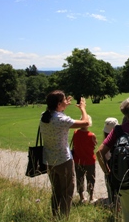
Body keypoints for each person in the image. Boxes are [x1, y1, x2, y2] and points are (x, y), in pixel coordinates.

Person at [39, 90, 90, 218]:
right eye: (63, 101)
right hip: (63, 160)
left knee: (56, 191)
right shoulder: (61, 119)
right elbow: (85, 123)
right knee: (67, 192)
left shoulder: (44, 115)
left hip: (49, 160)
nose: (66, 102)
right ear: (58, 103)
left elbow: (58, 116)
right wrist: (83, 109)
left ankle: (54, 216)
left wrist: (63, 107)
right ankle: (63, 218)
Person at [72, 114, 98, 204]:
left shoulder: (75, 132)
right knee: (91, 178)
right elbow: (94, 145)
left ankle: (81, 197)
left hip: (78, 160)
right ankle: (91, 197)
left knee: (79, 178)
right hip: (89, 160)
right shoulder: (91, 135)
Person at [102, 117, 119, 205]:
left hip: (109, 164)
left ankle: (112, 202)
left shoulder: (105, 141)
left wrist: (105, 168)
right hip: (118, 164)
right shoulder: (119, 139)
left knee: (110, 185)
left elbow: (100, 153)